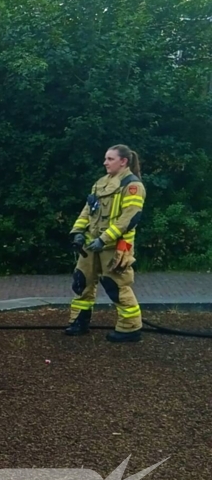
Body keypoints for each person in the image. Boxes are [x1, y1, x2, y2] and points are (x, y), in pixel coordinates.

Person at [65, 144, 146, 342]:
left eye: (110, 159)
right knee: (82, 282)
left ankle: (130, 329)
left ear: (123, 161)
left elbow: (129, 218)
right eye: (105, 158)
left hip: (116, 247)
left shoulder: (132, 186)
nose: (105, 163)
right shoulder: (101, 183)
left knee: (116, 286)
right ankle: (79, 322)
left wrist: (104, 239)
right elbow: (87, 210)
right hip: (90, 245)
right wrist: (77, 232)